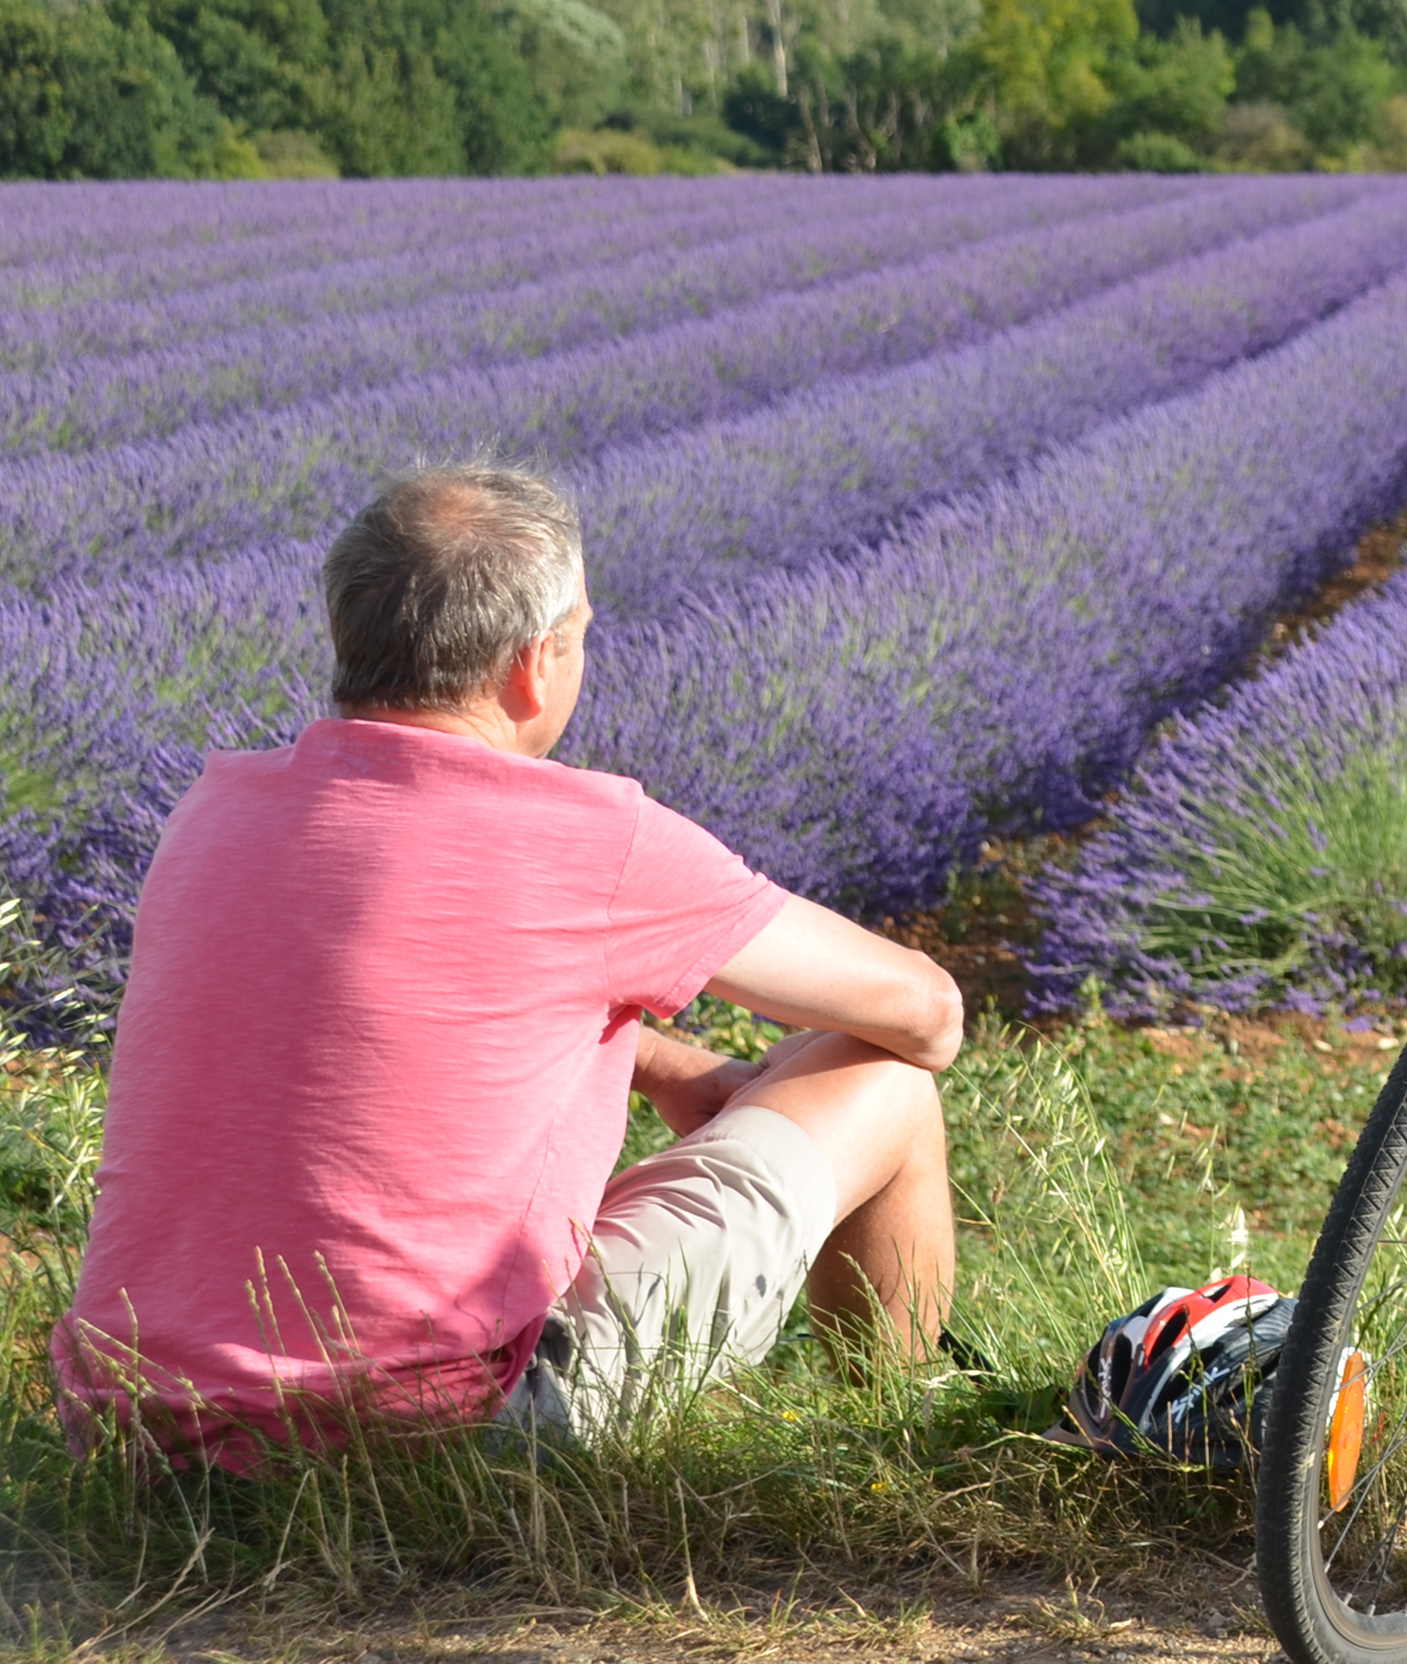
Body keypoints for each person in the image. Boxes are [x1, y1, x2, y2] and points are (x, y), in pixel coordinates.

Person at [56, 462, 965, 1467]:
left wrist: (661, 1063)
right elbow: (926, 1012)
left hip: (139, 1425)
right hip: (443, 1438)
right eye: (581, 633)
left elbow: (357, 1005)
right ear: (535, 664)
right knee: (881, 1076)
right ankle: (885, 1442)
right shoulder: (590, 841)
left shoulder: (215, 812)